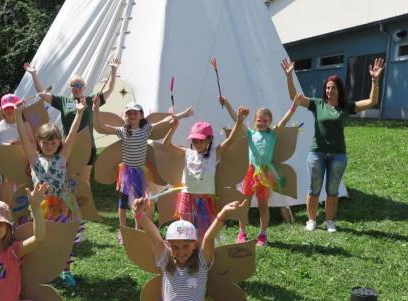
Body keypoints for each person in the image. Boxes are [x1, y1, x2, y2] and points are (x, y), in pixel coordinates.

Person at [117, 197, 245, 301]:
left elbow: (209, 237)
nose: (180, 251)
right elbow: (154, 234)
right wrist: (138, 214)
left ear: (194, 244)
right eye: (175, 247)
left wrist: (223, 214)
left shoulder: (201, 262)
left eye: (186, 246)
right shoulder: (166, 260)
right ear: (169, 245)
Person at [281, 57, 386, 232]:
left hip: (338, 156)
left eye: (333, 88)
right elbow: (294, 96)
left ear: (339, 90)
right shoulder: (317, 104)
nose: (330, 90)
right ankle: (311, 220)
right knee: (314, 189)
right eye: (327, 88)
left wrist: (375, 80)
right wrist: (289, 76)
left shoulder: (346, 107)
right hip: (317, 154)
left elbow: (371, 101)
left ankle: (329, 221)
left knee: (332, 190)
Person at [15, 95, 86, 287]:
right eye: (45, 143)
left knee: (63, 239)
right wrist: (18, 115)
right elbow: (24, 138)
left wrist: (79, 114)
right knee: (41, 239)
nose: (49, 146)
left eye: (53, 143)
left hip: (63, 207)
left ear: (59, 143)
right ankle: (42, 270)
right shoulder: (34, 159)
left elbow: (72, 136)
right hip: (40, 208)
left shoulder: (62, 158)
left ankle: (65, 270)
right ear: (38, 142)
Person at [93, 97, 193, 230]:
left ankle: (137, 229)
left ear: (141, 115)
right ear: (126, 116)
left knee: (139, 201)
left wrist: (183, 114)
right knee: (123, 202)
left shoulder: (146, 129)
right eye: (129, 113)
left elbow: (166, 120)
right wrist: (96, 109)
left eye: (135, 113)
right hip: (126, 172)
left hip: (140, 172)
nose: (132, 115)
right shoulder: (122, 131)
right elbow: (102, 127)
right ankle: (123, 229)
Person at [162, 97, 247, 240]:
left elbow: (231, 139)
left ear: (209, 140)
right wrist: (172, 129)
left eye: (200, 140)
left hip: (205, 200)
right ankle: (189, 251)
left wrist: (239, 120)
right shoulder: (187, 153)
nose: (197, 143)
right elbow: (166, 145)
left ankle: (202, 252)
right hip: (187, 197)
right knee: (186, 231)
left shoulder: (214, 153)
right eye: (194, 140)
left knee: (203, 232)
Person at [24, 59, 120, 184]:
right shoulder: (63, 101)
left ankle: (84, 197)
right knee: (70, 179)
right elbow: (42, 94)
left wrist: (113, 69)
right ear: (70, 87)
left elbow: (109, 89)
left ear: (84, 87)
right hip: (68, 147)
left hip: (87, 146)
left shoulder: (91, 100)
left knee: (84, 180)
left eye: (79, 85)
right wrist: (34, 74)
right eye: (74, 85)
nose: (77, 88)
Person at [236, 99, 299, 245]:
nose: (262, 123)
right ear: (255, 121)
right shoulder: (250, 133)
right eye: (259, 120)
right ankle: (241, 232)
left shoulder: (272, 134)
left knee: (263, 205)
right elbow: (237, 121)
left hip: (265, 172)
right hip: (251, 172)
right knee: (244, 204)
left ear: (270, 122)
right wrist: (228, 105)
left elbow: (284, 121)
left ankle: (263, 234)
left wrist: (293, 107)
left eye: (265, 121)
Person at [0, 93, 34, 205]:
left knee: (21, 190)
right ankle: (6, 207)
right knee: (5, 188)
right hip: (4, 161)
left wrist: (21, 143)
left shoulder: (25, 125)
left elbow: (34, 145)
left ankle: (22, 209)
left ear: (18, 109)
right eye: (6, 108)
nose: (9, 110)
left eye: (12, 107)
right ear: (2, 110)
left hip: (22, 161)